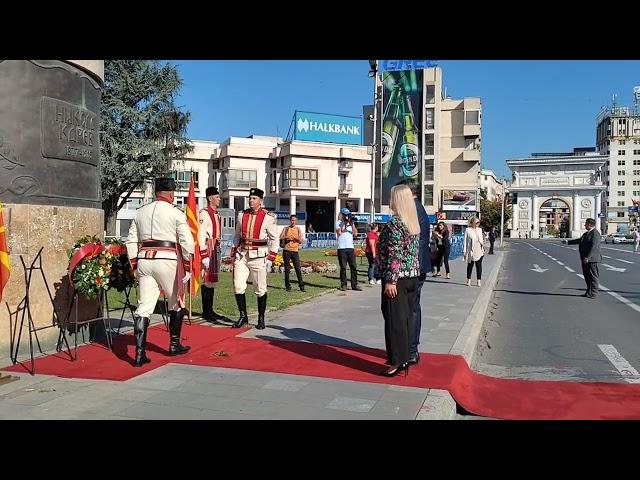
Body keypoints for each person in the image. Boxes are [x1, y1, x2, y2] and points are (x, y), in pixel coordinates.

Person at [125, 178, 194, 367]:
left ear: (156, 192)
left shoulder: (140, 212)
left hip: (145, 259)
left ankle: (139, 355)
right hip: (168, 259)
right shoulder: (175, 212)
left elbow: (130, 241)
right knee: (176, 302)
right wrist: (187, 266)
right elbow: (187, 242)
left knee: (144, 307)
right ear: (171, 194)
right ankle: (173, 345)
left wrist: (134, 264)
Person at [377, 184, 421, 377]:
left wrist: (391, 281)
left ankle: (397, 361)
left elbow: (395, 254)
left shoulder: (395, 224)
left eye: (392, 196)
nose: (389, 200)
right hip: (412, 276)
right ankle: (405, 356)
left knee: (394, 320)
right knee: (406, 319)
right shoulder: (412, 222)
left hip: (398, 279)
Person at [231, 188, 279, 329]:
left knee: (260, 288)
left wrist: (271, 258)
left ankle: (261, 317)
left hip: (258, 256)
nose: (251, 201)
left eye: (254, 198)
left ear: (261, 201)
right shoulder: (242, 215)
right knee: (238, 286)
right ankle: (243, 316)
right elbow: (237, 235)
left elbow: (275, 239)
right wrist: (234, 250)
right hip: (242, 254)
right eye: (250, 198)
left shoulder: (269, 217)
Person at [403, 182, 430, 365]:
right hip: (418, 266)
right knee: (413, 307)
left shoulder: (413, 210)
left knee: (411, 308)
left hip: (413, 268)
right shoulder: (419, 209)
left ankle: (411, 350)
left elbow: (410, 241)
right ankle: (411, 349)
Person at [198, 186, 229, 323]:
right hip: (208, 247)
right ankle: (206, 311)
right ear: (211, 198)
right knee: (207, 280)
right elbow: (201, 235)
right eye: (217, 197)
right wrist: (204, 255)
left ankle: (210, 310)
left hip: (215, 247)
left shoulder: (216, 214)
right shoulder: (204, 214)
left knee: (212, 281)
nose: (219, 199)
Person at [565, 218, 602, 298]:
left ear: (589, 224)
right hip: (585, 259)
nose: (584, 225)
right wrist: (568, 242)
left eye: (586, 224)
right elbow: (579, 240)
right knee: (587, 276)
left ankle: (594, 293)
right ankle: (588, 292)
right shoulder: (586, 234)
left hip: (592, 259)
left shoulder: (595, 234)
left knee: (593, 277)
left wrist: (588, 257)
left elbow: (594, 247)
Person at [335, 207, 362, 291]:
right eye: (345, 215)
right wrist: (345, 224)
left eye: (348, 215)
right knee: (343, 267)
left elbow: (355, 234)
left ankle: (354, 284)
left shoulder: (351, 223)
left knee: (353, 267)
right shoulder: (338, 223)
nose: (346, 217)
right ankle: (344, 285)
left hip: (350, 248)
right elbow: (339, 232)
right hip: (342, 248)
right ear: (342, 215)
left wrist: (352, 224)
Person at [280, 214, 305, 292]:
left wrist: (295, 238)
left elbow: (301, 241)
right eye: (292, 220)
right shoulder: (286, 228)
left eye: (294, 220)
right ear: (290, 221)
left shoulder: (298, 229)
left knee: (298, 269)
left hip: (295, 251)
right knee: (287, 270)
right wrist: (287, 237)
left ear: (296, 221)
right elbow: (280, 237)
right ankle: (288, 286)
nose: (293, 222)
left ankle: (301, 286)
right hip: (286, 251)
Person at [463, 216, 485, 287]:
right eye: (477, 222)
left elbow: (481, 239)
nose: (478, 224)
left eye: (479, 222)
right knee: (470, 265)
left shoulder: (480, 230)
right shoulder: (468, 230)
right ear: (472, 222)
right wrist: (464, 251)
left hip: (479, 249)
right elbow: (465, 241)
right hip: (471, 250)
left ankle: (479, 281)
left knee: (479, 266)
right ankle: (468, 280)